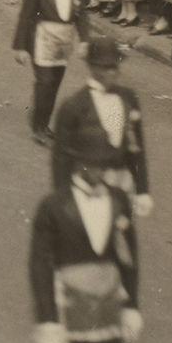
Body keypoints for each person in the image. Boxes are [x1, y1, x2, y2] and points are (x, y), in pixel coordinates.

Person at [29, 128, 143, 343]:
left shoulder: (119, 200)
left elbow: (128, 255)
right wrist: (47, 319)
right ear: (78, 163)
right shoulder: (53, 206)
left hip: (107, 303)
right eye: (92, 163)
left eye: (104, 164)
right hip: (68, 304)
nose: (99, 170)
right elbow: (40, 264)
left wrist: (132, 303)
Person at [49, 36, 153, 213]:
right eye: (105, 67)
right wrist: (62, 199)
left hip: (121, 182)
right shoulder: (74, 106)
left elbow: (136, 147)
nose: (112, 72)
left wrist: (142, 190)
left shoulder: (128, 98)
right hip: (85, 184)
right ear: (92, 67)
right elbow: (61, 158)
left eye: (115, 66)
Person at [13, 0, 88, 144]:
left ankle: (44, 122)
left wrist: (84, 41)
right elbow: (25, 18)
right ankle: (38, 126)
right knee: (45, 82)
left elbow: (81, 15)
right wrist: (20, 47)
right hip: (41, 40)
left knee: (54, 84)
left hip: (63, 43)